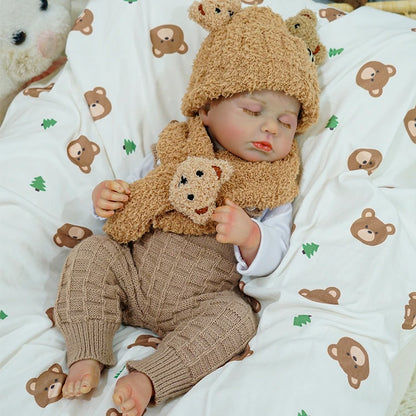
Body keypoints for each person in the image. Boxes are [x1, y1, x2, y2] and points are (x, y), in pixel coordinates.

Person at [54, 3, 320, 416]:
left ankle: (149, 377)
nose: (270, 127)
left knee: (236, 320)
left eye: (286, 123)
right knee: (92, 253)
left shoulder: (274, 184)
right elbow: (132, 200)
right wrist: (106, 199)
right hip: (133, 271)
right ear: (206, 108)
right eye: (252, 111)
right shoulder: (175, 147)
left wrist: (251, 235)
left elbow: (277, 249)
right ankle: (87, 350)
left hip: (201, 300)